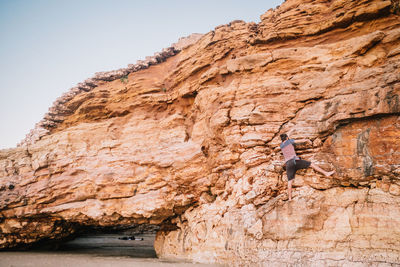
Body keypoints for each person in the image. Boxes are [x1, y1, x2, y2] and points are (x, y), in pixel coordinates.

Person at [280, 133, 335, 201]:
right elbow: (299, 141)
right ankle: (326, 173)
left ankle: (290, 198)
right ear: (287, 138)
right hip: (295, 161)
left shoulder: (281, 145)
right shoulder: (289, 141)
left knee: (289, 181)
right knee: (311, 164)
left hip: (288, 164)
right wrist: (307, 140)